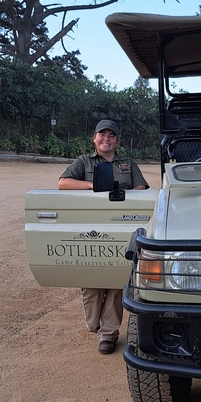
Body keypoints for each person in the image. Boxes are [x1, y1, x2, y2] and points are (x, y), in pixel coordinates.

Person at [58, 119, 147, 354]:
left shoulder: (127, 163)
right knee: (92, 282)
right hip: (91, 227)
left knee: (117, 281)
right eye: (102, 135)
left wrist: (123, 194)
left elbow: (142, 189)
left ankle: (108, 334)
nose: (106, 139)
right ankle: (96, 325)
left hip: (120, 226)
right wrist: (92, 186)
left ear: (117, 140)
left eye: (111, 136)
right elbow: (63, 183)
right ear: (94, 138)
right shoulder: (84, 162)